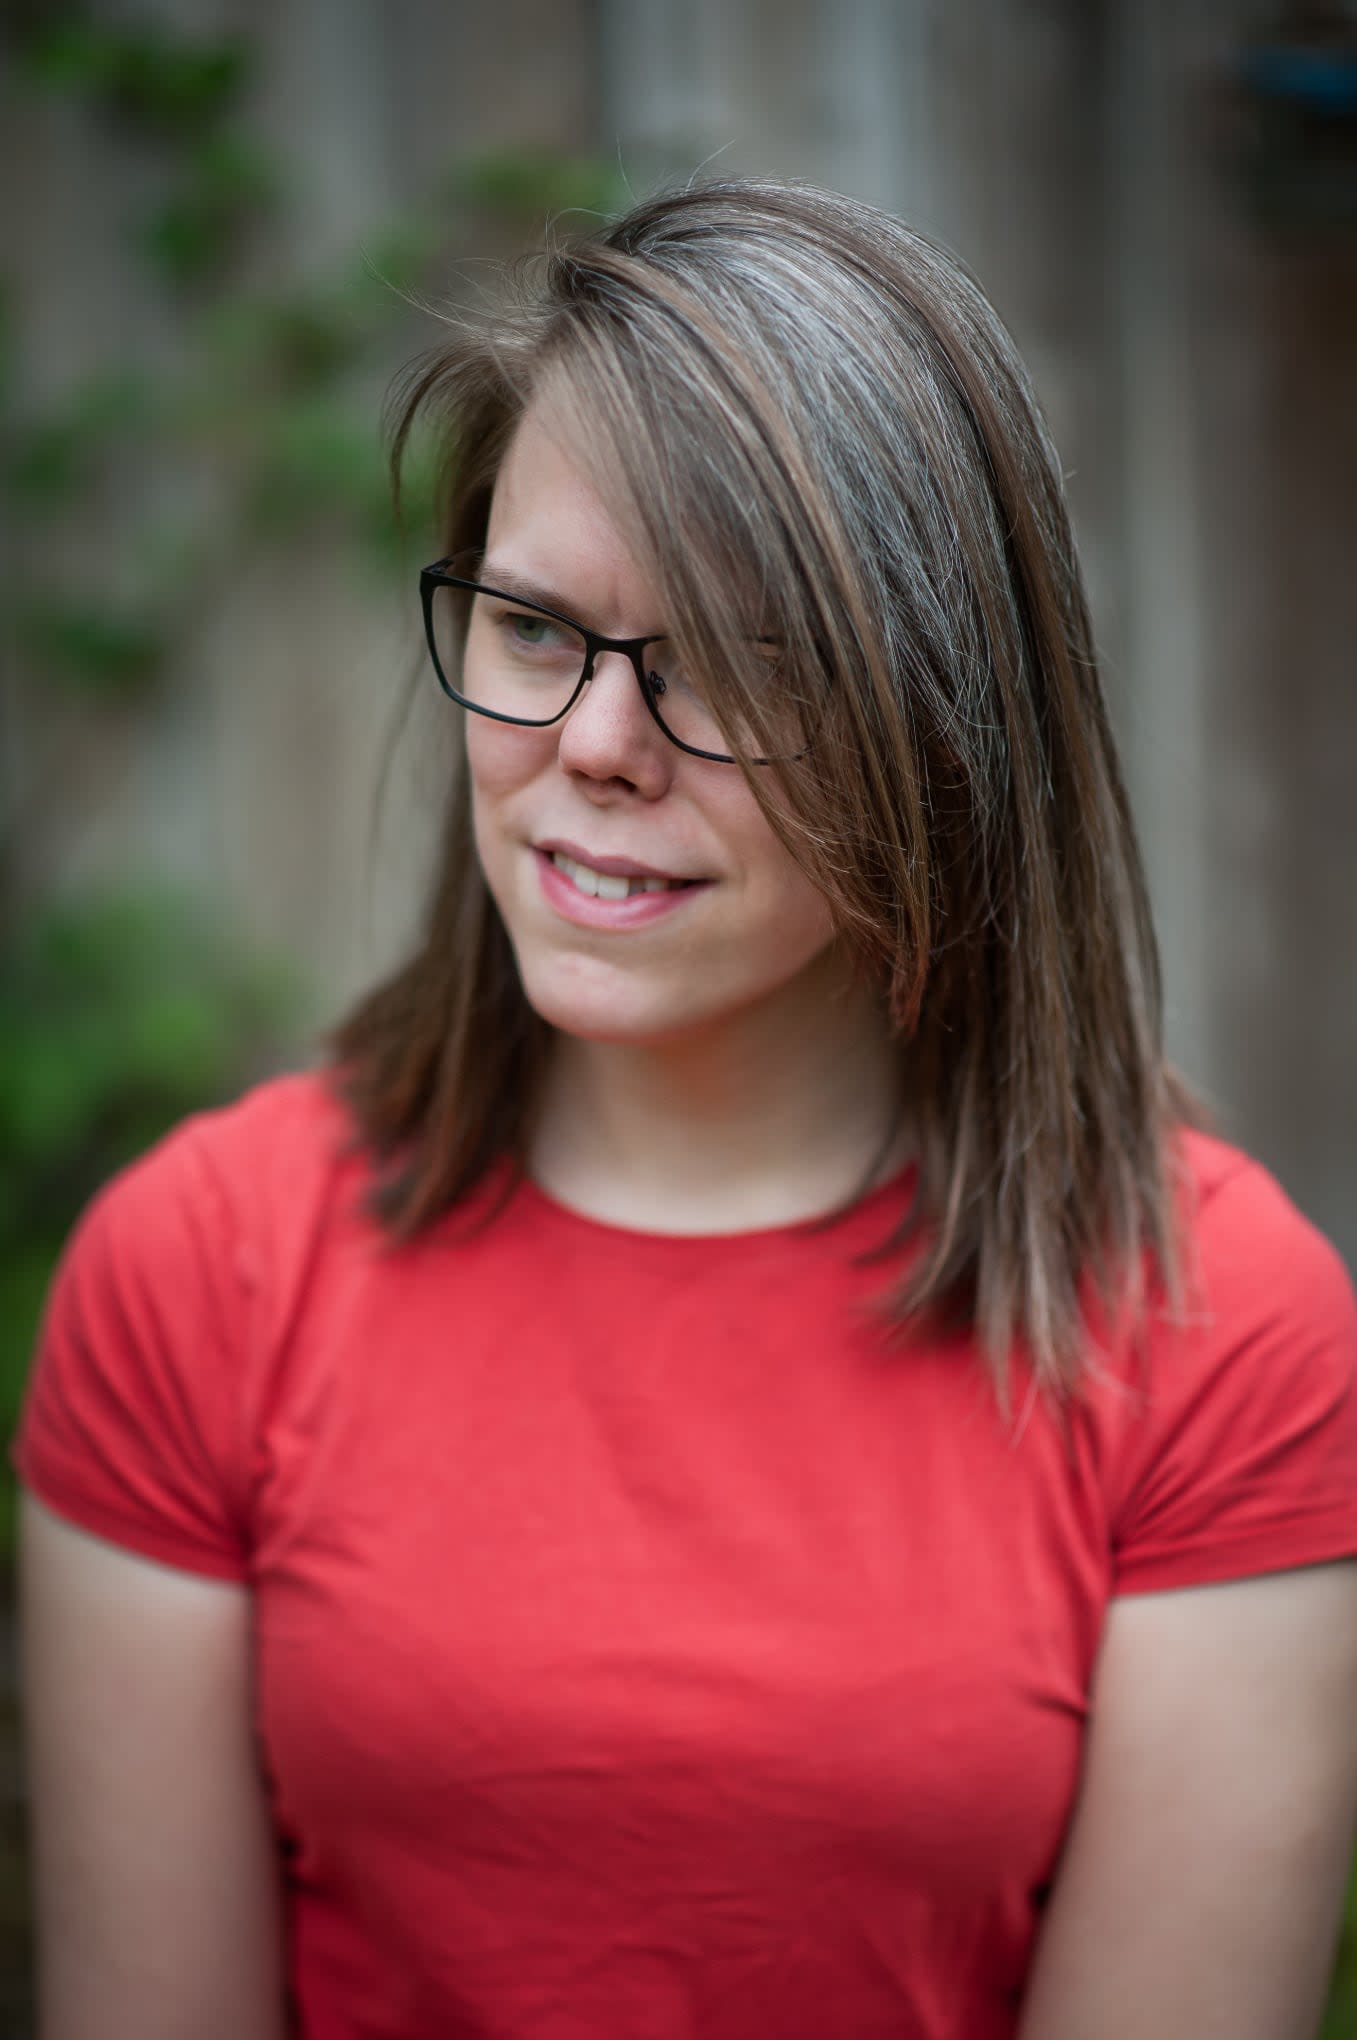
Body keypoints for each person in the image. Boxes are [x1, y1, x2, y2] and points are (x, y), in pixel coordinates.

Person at [15, 178, 1357, 2040]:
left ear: (947, 728)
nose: (592, 747)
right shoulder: (195, 1274)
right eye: (536, 629)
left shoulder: (1219, 1331)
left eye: (739, 660)